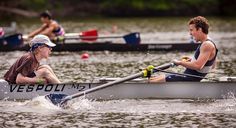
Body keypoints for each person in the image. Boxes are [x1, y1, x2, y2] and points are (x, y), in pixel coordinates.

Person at [149, 16, 218, 82]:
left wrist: (180, 62)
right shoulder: (209, 42)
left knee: (153, 81)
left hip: (190, 79)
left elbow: (198, 66)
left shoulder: (207, 45)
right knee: (156, 78)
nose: (190, 33)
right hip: (188, 76)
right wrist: (192, 59)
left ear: (199, 29)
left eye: (191, 30)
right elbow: (212, 65)